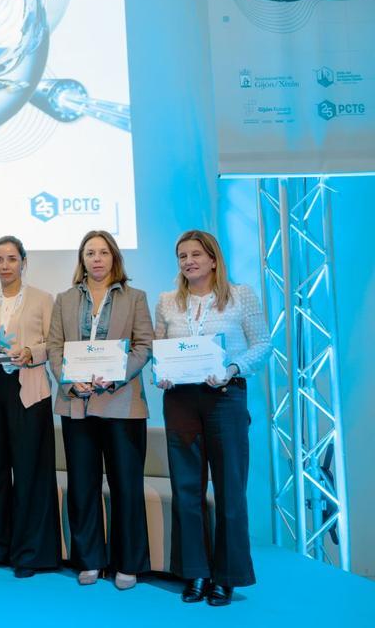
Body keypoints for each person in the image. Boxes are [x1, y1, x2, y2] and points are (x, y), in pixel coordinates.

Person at [154, 230, 271, 606]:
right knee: (187, 491)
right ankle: (195, 573)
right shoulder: (167, 301)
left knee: (229, 491)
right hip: (180, 401)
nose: (188, 262)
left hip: (225, 398)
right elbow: (160, 349)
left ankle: (227, 577)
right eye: (182, 256)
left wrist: (233, 365)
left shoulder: (241, 296)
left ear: (214, 260)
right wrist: (162, 373)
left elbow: (264, 344)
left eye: (196, 255)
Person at [47, 230, 153, 590]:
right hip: (77, 404)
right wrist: (70, 382)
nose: (96, 258)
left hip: (122, 405)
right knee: (83, 485)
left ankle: (128, 563)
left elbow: (143, 346)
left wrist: (115, 377)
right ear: (82, 259)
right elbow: (54, 347)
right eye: (90, 252)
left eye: (103, 252)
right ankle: (89, 559)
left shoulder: (135, 298)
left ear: (114, 258)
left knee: (126, 485)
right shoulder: (64, 300)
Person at [0, 235, 60, 577]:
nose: (5, 265)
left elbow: (54, 342)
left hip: (29, 389)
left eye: (11, 259)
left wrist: (32, 352)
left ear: (23, 261)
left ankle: (29, 553)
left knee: (31, 472)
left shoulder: (43, 299)